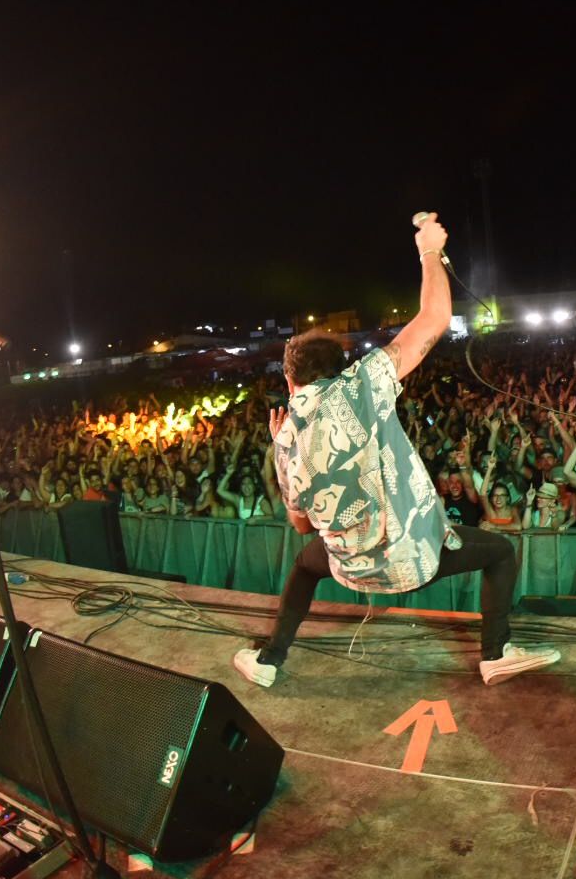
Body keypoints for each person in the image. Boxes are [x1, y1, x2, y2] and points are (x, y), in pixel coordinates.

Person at [233, 214, 559, 688]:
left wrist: (285, 451)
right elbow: (435, 319)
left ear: (290, 380)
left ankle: (269, 659)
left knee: (305, 568)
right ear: (341, 368)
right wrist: (429, 248)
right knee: (501, 552)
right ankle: (495, 653)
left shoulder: (284, 437)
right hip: (413, 560)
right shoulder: (359, 385)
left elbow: (302, 523)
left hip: (350, 569)